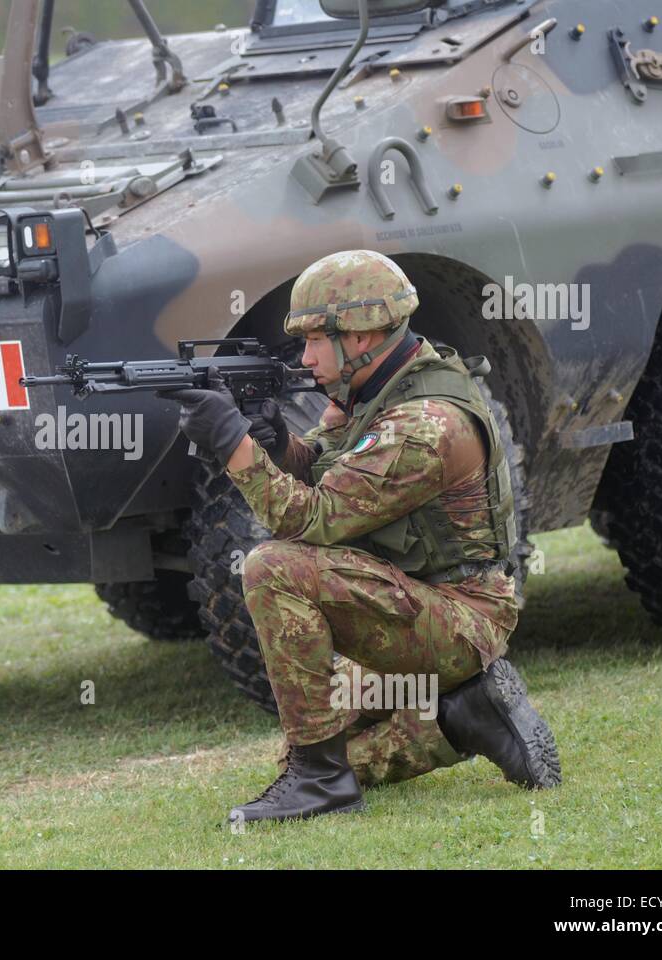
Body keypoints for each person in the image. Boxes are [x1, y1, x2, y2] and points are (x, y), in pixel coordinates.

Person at [160, 249, 560, 825]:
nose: (305, 357)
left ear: (364, 333)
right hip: (417, 604)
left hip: (458, 618)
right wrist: (278, 445)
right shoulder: (379, 390)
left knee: (271, 566)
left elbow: (312, 519)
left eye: (316, 340)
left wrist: (235, 446)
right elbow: (330, 468)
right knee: (317, 724)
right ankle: (460, 716)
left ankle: (323, 783)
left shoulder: (424, 426)